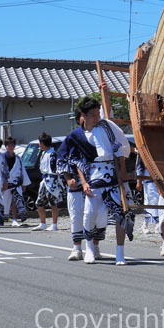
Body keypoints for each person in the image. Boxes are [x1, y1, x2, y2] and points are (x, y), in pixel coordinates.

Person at [70, 97, 134, 265]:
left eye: (98, 113)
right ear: (83, 115)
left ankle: (120, 253)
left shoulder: (105, 126)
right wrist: (83, 183)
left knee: (120, 214)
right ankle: (89, 249)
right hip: (93, 176)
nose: (97, 117)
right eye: (93, 114)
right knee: (90, 214)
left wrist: (122, 172)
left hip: (111, 174)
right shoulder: (77, 135)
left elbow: (118, 148)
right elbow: (77, 162)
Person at [58, 110, 87, 260]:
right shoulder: (72, 137)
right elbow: (61, 159)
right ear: (78, 119)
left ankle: (94, 247)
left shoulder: (99, 134)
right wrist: (68, 178)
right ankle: (77, 248)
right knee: (76, 216)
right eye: (83, 115)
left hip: (95, 182)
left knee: (96, 217)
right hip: (75, 185)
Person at [32, 133, 64, 231]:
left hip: (52, 180)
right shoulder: (43, 153)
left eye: (39, 143)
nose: (39, 145)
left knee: (53, 203)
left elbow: (55, 168)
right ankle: (43, 223)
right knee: (39, 203)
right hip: (45, 180)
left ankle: (54, 224)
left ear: (42, 143)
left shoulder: (53, 154)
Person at [1, 137, 25, 227]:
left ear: (14, 146)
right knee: (3, 202)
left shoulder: (18, 158)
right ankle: (1, 218)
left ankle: (15, 219)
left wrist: (24, 183)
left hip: (15, 183)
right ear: (6, 146)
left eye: (12, 145)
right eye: (8, 145)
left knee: (15, 201)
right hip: (5, 183)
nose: (10, 147)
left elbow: (22, 171)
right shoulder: (1, 157)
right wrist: (1, 183)